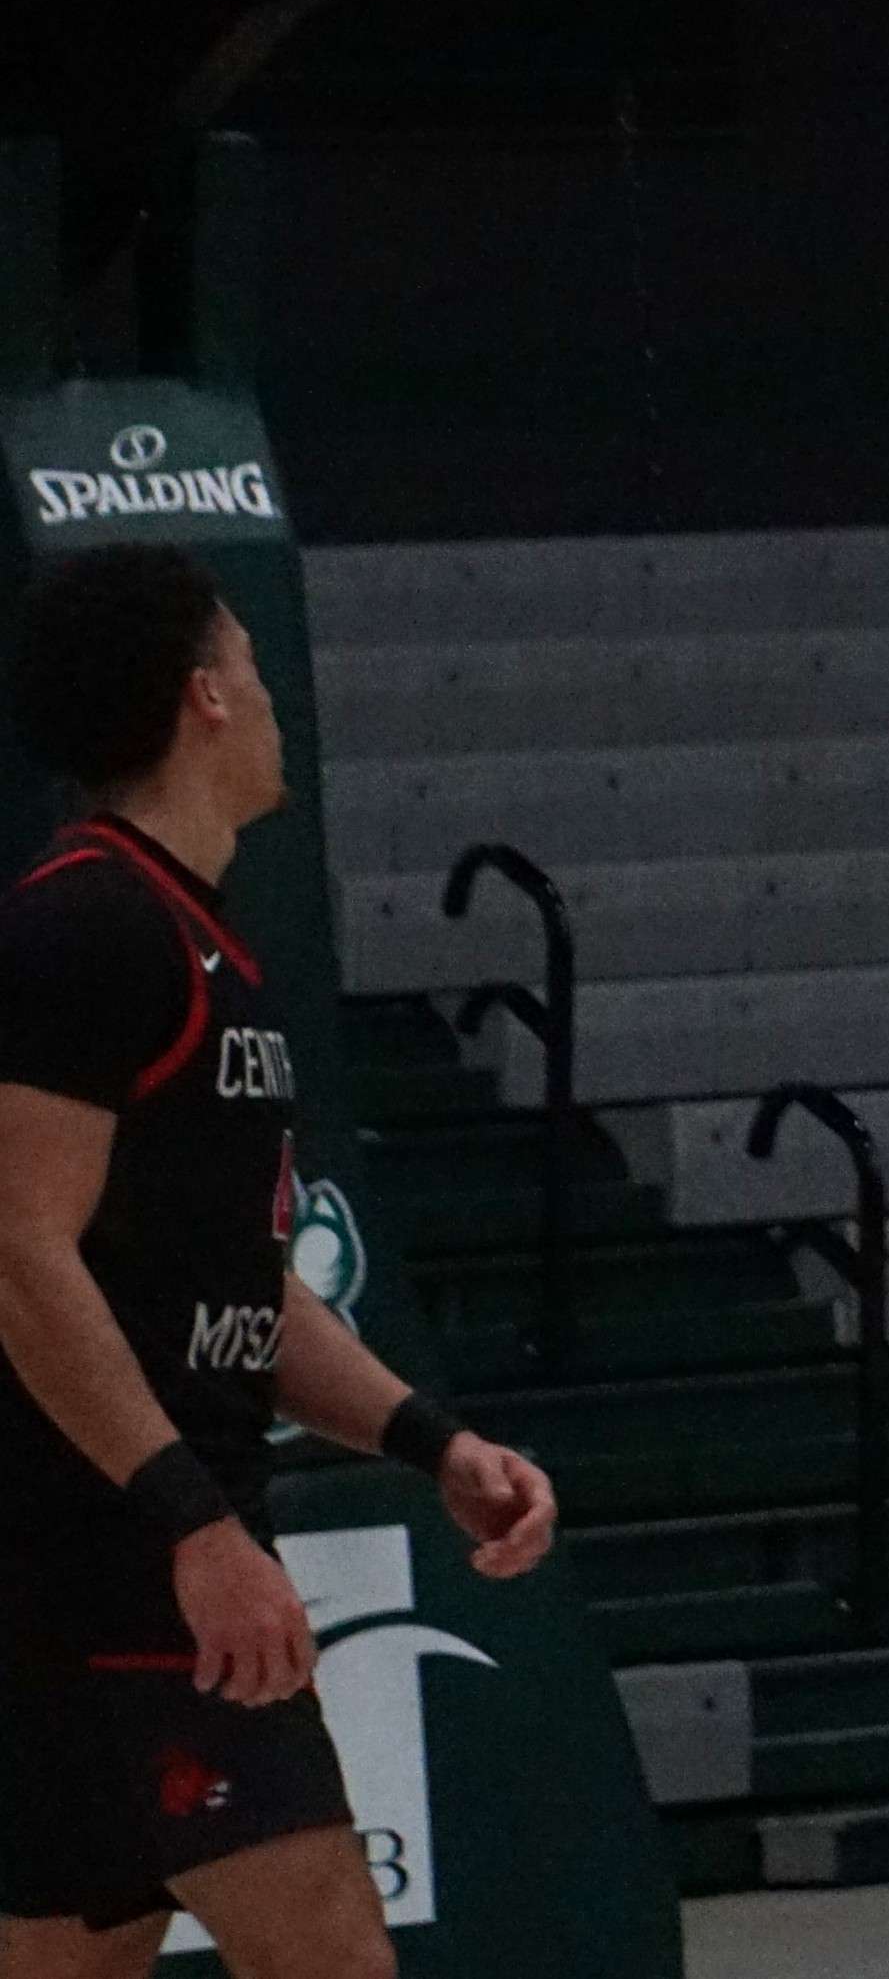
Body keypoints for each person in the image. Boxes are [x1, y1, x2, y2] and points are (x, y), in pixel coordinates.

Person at [0, 547, 560, 1979]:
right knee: (332, 1956)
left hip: (106, 1572)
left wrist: (432, 1440)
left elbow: (244, 1291)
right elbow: (16, 1252)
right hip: (126, 1567)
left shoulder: (196, 936)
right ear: (204, 697)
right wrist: (195, 1528)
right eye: (249, 666)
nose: (269, 699)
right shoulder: (87, 921)